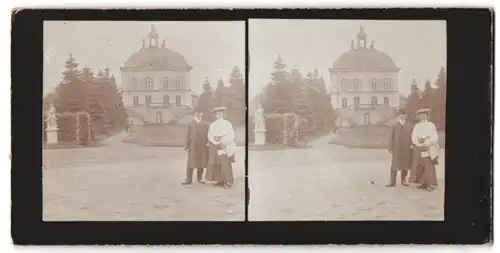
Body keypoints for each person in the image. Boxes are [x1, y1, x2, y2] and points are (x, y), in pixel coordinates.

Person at [205, 106, 236, 189]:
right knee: (216, 163)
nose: (218, 115)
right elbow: (210, 135)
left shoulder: (227, 123)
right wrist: (215, 142)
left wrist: (223, 141)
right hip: (215, 145)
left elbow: (231, 135)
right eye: (217, 114)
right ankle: (219, 180)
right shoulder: (213, 124)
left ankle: (227, 182)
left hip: (224, 145)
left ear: (223, 114)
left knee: (224, 163)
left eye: (220, 113)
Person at [411, 108, 440, 191]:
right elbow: (414, 137)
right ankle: (423, 183)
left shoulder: (431, 125)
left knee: (429, 166)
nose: (422, 117)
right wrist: (419, 143)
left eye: (424, 115)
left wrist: (426, 143)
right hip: (420, 148)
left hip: (428, 147)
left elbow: (434, 137)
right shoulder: (417, 126)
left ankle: (430, 184)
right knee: (421, 166)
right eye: (420, 116)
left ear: (427, 116)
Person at [386, 109, 413, 187]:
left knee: (405, 164)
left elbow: (412, 136)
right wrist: (390, 147)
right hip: (397, 148)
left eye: (403, 115)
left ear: (406, 115)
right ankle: (392, 181)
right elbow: (391, 137)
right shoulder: (395, 126)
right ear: (398, 116)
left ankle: (403, 180)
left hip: (406, 148)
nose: (402, 116)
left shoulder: (409, 125)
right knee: (394, 164)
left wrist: (411, 144)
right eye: (400, 115)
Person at [182, 110, 209, 185]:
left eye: (200, 113)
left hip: (202, 147)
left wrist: (208, 142)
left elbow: (208, 135)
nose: (198, 115)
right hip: (193, 146)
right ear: (194, 114)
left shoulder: (205, 124)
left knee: (201, 162)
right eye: (197, 113)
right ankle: (188, 179)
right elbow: (187, 135)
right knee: (191, 163)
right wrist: (186, 146)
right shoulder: (190, 124)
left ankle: (199, 178)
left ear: (202, 114)